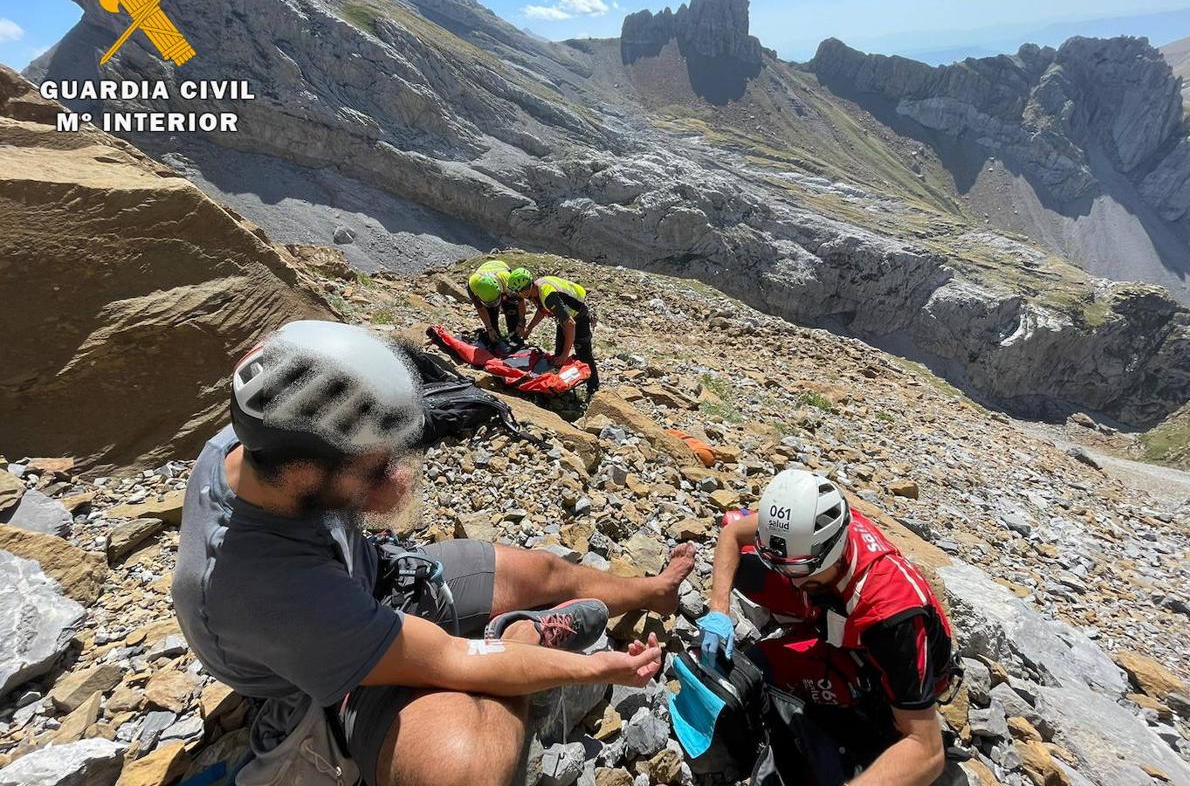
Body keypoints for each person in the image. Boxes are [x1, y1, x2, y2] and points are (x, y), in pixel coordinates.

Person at [172, 320, 695, 786]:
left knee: (542, 569)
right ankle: (519, 631)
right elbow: (454, 660)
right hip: (319, 675)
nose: (396, 478)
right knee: (466, 770)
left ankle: (652, 592)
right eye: (376, 469)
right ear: (307, 473)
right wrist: (596, 669)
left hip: (364, 579)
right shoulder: (271, 590)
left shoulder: (264, 441)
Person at [695, 469, 955, 786]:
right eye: (777, 564)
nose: (787, 577)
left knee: (761, 670)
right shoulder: (814, 524)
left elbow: (927, 750)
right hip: (834, 608)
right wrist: (719, 610)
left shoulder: (890, 616)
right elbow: (732, 533)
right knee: (746, 565)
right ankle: (809, 628)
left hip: (871, 658)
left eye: (796, 569)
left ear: (829, 551)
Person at [512, 270, 600, 394]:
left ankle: (593, 387)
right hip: (565, 316)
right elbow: (542, 310)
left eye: (519, 292)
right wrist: (529, 329)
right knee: (558, 355)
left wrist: (565, 354)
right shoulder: (536, 290)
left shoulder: (548, 296)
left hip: (578, 316)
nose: (519, 295)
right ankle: (558, 387)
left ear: (525, 289)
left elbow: (570, 323)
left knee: (583, 354)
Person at [467, 259, 525, 346]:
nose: (493, 305)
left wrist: (521, 323)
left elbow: (521, 300)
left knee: (511, 308)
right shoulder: (472, 286)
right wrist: (489, 328)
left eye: (494, 301)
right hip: (484, 275)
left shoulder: (508, 284)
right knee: (491, 317)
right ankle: (496, 338)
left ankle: (514, 336)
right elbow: (481, 309)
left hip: (502, 271)